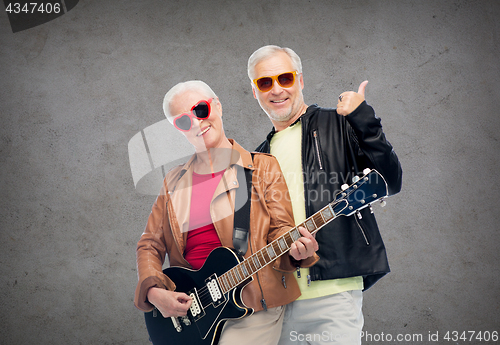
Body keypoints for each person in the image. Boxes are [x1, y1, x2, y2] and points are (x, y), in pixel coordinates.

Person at [134, 80, 319, 345]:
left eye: (200, 110)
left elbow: (282, 231)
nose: (196, 123)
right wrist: (152, 291)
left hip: (250, 303)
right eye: (183, 122)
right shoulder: (173, 182)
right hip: (191, 313)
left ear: (218, 106)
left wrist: (299, 252)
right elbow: (150, 243)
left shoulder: (262, 167)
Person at [247, 45, 403, 344]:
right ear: (255, 91)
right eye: (265, 82)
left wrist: (363, 118)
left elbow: (390, 180)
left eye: (285, 78)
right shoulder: (258, 158)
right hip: (277, 304)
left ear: (300, 81)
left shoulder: (340, 123)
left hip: (333, 294)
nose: (277, 89)